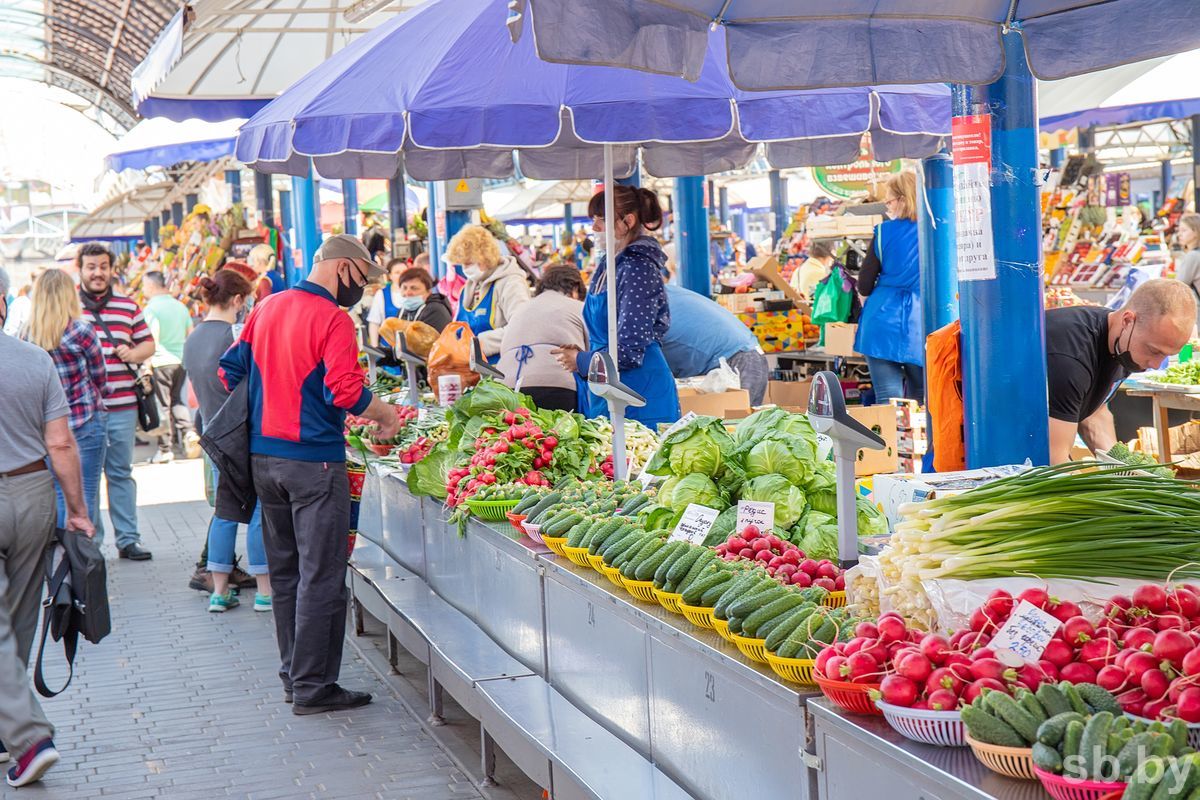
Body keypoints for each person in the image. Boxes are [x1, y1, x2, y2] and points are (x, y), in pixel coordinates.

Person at [219, 234, 401, 714]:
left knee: (286, 574)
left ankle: (293, 677)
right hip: (315, 462)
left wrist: (267, 403)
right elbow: (345, 391)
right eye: (363, 278)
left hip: (263, 461)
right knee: (321, 575)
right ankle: (314, 687)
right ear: (344, 269)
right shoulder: (334, 319)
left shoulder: (267, 306)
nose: (363, 288)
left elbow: (229, 372)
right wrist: (385, 415)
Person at [0, 265, 94, 787]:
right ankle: (11, 733)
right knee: (15, 618)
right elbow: (60, 443)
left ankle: (29, 738)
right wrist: (77, 510)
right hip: (33, 494)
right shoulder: (35, 360)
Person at [553, 186, 680, 427]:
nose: (594, 228)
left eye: (601, 219)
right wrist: (585, 353)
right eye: (593, 220)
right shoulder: (611, 264)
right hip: (611, 387)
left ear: (627, 221)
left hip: (638, 393)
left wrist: (581, 360)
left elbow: (630, 349)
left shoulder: (637, 268)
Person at [184, 270, 272, 613]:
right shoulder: (235, 334)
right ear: (238, 300)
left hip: (213, 434)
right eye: (245, 301)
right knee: (258, 510)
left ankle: (219, 592)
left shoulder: (193, 338)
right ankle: (265, 591)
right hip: (244, 433)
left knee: (225, 512)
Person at [1047, 279, 1196, 464]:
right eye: (1154, 351)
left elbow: (1093, 414)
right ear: (1127, 320)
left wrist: (1122, 469)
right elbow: (1054, 461)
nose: (1156, 364)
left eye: (1166, 355)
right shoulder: (1071, 358)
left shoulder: (1121, 342)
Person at [77, 242, 155, 561]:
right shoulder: (69, 308)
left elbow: (148, 344)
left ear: (111, 269)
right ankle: (91, 542)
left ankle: (128, 539)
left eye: (103, 266)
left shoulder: (128, 306)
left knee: (121, 473)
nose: (98, 273)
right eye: (91, 267)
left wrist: (132, 353)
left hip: (123, 406)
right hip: (84, 411)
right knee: (88, 478)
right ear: (80, 269)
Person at [25, 268, 107, 526]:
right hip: (86, 420)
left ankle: (62, 559)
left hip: (47, 427)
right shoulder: (82, 331)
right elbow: (99, 376)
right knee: (85, 496)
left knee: (60, 494)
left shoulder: (28, 336)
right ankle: (82, 559)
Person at [854, 171, 925, 405]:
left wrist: (867, 300)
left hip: (881, 320)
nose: (888, 205)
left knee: (888, 397)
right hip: (922, 323)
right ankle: (922, 441)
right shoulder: (936, 230)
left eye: (889, 200)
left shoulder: (884, 232)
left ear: (904, 199)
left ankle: (892, 442)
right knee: (922, 396)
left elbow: (864, 282)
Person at [660, 283, 769, 406]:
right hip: (739, 355)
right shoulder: (656, 293)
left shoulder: (646, 303)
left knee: (733, 421)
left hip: (735, 362)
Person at [497, 265, 587, 411]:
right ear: (575, 288)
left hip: (506, 388)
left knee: (520, 433)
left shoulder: (521, 310)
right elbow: (592, 352)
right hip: (556, 386)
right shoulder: (579, 307)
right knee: (558, 433)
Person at [447, 224, 531, 362]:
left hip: (503, 369)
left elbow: (522, 327)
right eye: (462, 264)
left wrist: (480, 343)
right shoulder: (469, 287)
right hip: (472, 369)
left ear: (483, 257)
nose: (464, 269)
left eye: (468, 263)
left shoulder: (511, 283)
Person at [142, 271, 197, 463]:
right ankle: (189, 432)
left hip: (160, 361)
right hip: (180, 360)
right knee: (176, 401)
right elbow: (191, 333)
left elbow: (151, 338)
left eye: (144, 286)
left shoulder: (151, 309)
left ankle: (165, 448)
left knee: (162, 406)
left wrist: (147, 364)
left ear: (151, 286)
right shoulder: (180, 306)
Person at [366, 260, 453, 346]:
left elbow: (424, 348)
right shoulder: (404, 310)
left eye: (414, 288)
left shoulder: (435, 311)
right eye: (404, 288)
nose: (408, 292)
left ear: (428, 292)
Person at [1173, 214, 1200, 322]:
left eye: (1184, 230)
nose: (1179, 234)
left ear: (1196, 232)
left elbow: (1178, 285)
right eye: (1179, 230)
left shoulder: (1193, 256)